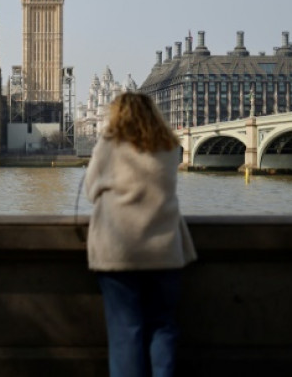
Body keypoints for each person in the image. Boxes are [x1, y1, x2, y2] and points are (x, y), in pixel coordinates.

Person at [83, 92, 196, 377]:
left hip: (118, 249)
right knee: (163, 326)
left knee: (126, 331)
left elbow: (90, 191)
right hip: (164, 249)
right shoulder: (169, 145)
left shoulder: (109, 145)